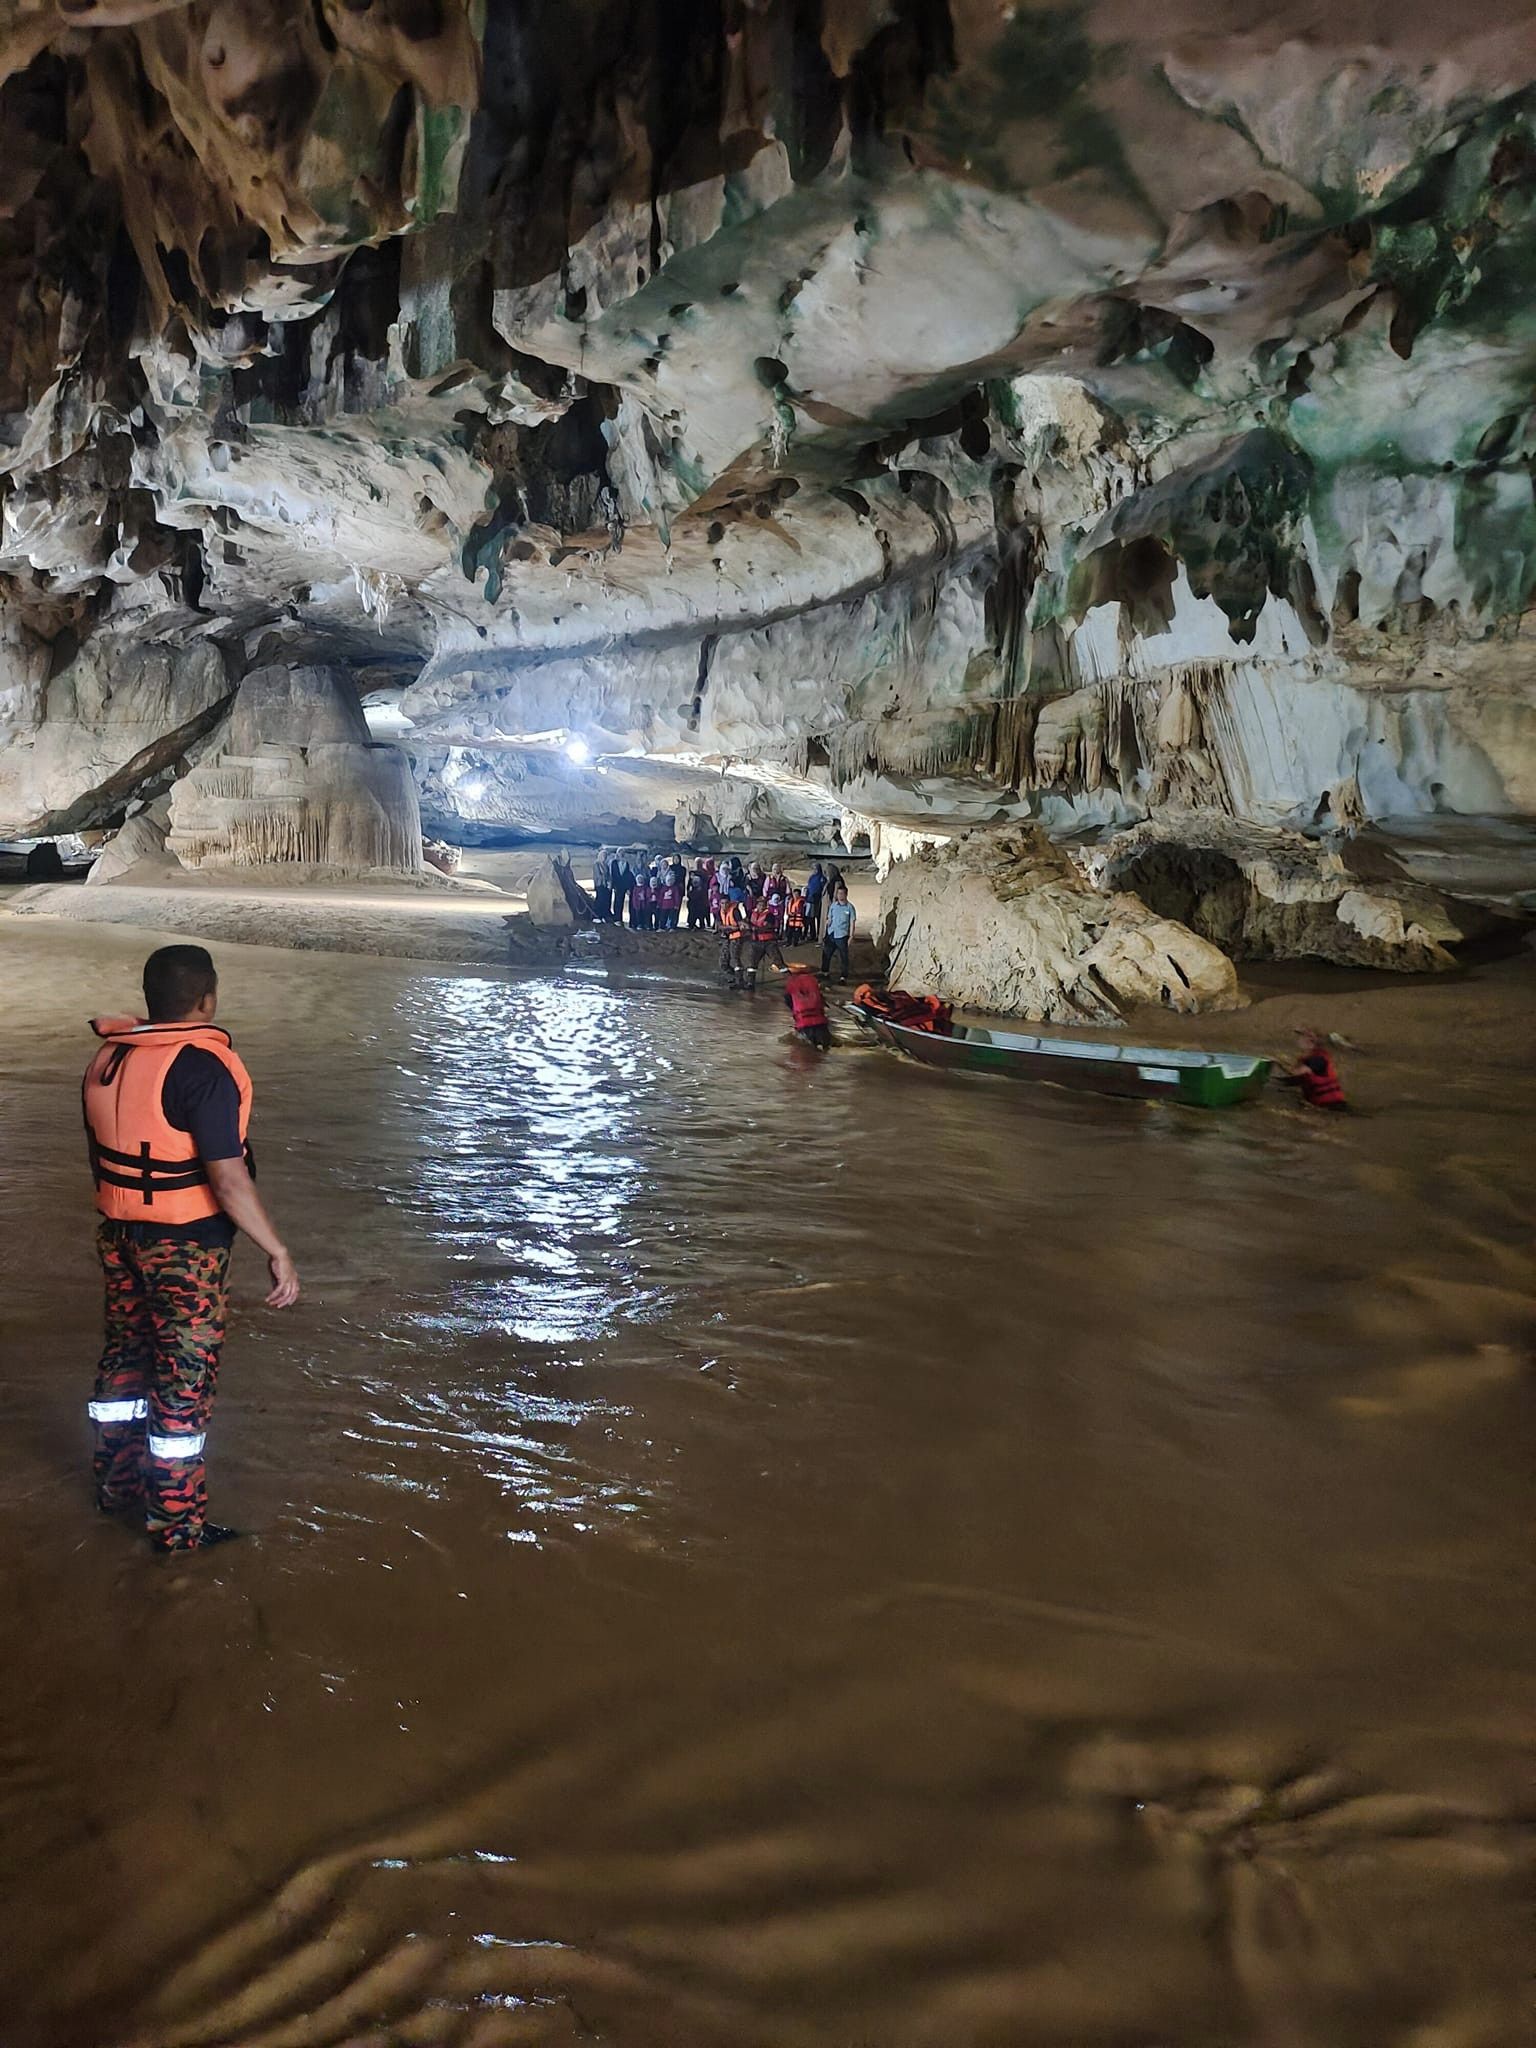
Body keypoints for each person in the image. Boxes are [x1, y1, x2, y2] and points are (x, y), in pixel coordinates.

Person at [82, 945, 299, 1554]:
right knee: (182, 1386)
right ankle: (177, 1530)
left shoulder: (108, 1058)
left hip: (119, 1237)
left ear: (153, 998)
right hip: (185, 1249)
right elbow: (228, 1180)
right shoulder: (203, 1068)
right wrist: (276, 1249)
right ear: (207, 999)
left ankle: (114, 1489)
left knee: (124, 1362)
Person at [1284, 1028, 1349, 1110]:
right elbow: (1293, 1080)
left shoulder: (1319, 1059)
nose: (1299, 1039)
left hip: (1333, 1107)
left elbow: (1295, 1072)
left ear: (1311, 1041)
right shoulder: (1306, 1059)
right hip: (1322, 1106)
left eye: (1302, 1036)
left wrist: (1276, 1062)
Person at [781, 959, 830, 1049]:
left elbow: (788, 999)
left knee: (807, 1050)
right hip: (820, 1021)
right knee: (825, 1047)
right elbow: (820, 998)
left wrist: (794, 1010)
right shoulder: (813, 980)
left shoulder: (792, 982)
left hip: (804, 1022)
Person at [746, 890, 786, 989]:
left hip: (769, 943)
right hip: (755, 942)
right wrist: (748, 927)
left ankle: (791, 982)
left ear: (766, 905)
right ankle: (750, 983)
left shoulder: (770, 915)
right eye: (759, 904)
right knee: (752, 963)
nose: (761, 906)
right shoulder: (751, 913)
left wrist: (754, 928)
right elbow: (747, 922)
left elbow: (767, 926)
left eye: (763, 904)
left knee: (778, 962)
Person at [821, 881, 856, 981]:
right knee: (826, 954)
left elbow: (852, 922)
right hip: (831, 933)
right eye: (838, 893)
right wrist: (828, 923)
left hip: (842, 935)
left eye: (842, 893)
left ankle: (843, 976)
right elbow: (829, 917)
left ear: (846, 894)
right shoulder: (833, 906)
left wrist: (851, 936)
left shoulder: (850, 908)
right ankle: (825, 972)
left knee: (843, 957)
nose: (840, 895)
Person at [719, 888, 751, 989]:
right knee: (723, 961)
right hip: (727, 937)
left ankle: (740, 981)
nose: (724, 905)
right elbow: (719, 925)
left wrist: (739, 927)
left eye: (726, 903)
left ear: (729, 902)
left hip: (736, 937)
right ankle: (733, 977)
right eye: (722, 903)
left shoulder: (735, 911)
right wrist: (729, 928)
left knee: (735, 958)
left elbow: (741, 924)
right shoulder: (719, 912)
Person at [803, 860, 826, 935]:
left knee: (818, 917)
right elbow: (809, 888)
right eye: (813, 868)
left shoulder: (822, 878)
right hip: (810, 899)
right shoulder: (811, 878)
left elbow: (824, 890)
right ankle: (813, 934)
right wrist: (806, 898)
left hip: (819, 900)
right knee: (810, 918)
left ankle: (819, 934)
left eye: (815, 868)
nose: (814, 870)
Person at [591, 848, 612, 923]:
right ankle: (596, 916)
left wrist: (609, 882)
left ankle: (604, 915)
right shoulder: (596, 864)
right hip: (599, 884)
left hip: (605, 885)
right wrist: (604, 878)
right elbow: (597, 875)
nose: (604, 857)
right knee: (599, 900)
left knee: (605, 900)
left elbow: (608, 875)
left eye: (605, 856)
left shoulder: (606, 865)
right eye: (603, 855)